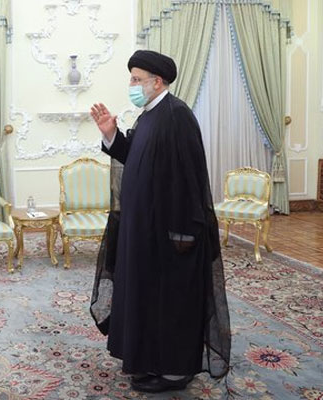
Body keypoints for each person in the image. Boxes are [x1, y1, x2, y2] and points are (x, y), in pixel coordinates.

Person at [90, 50, 231, 393]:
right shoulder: (149, 115)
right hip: (144, 231)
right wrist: (112, 135)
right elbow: (135, 159)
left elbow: (190, 179)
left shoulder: (177, 115)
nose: (132, 85)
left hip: (173, 234)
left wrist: (183, 232)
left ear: (157, 81)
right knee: (148, 300)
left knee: (172, 303)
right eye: (132, 79)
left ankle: (175, 371)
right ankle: (151, 360)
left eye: (136, 79)